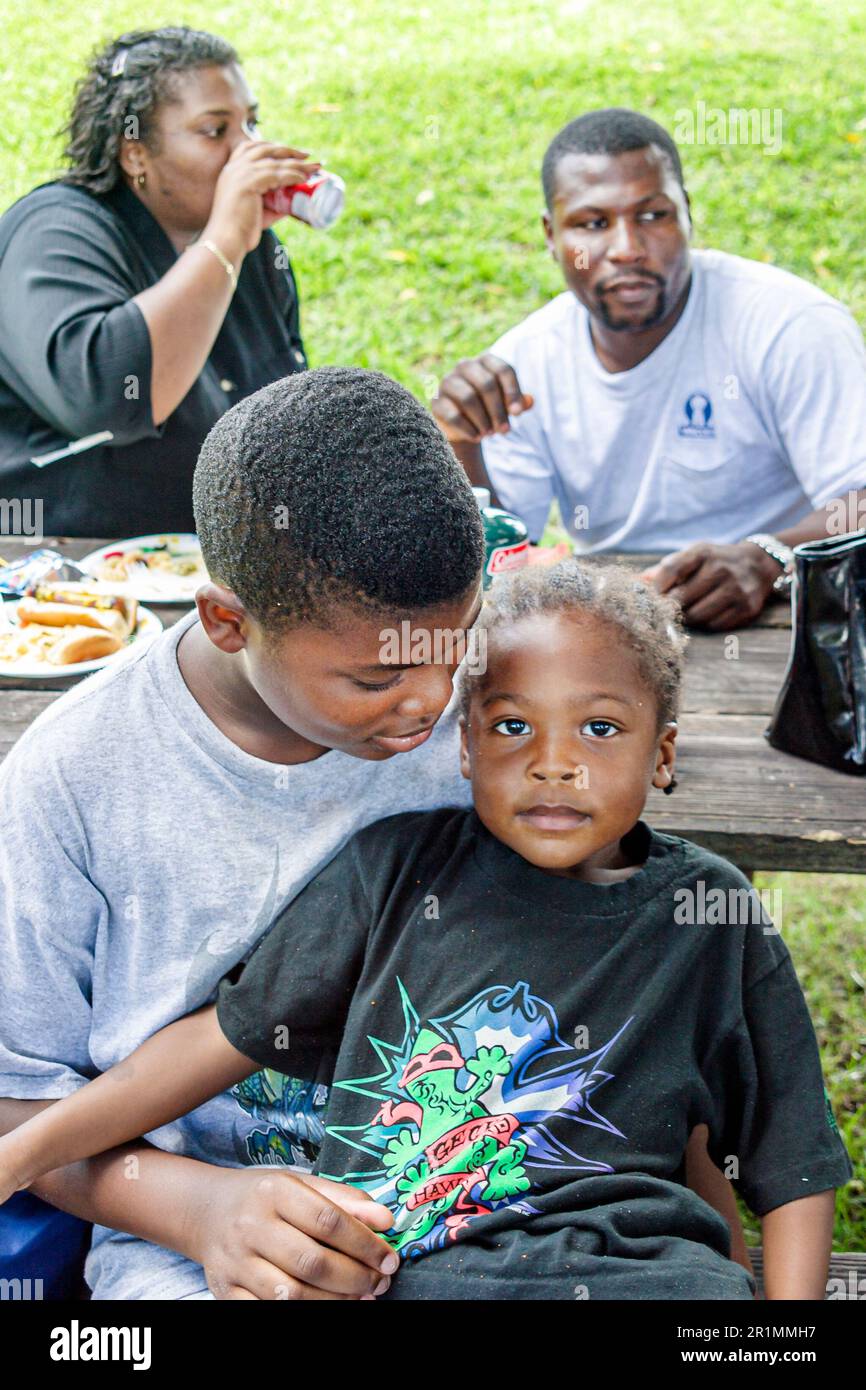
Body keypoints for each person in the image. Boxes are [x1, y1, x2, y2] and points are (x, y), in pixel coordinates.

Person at [0, 560, 851, 1300]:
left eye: (600, 728)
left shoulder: (710, 912)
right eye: (513, 727)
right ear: (465, 747)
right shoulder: (395, 870)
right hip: (408, 1275)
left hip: (647, 1276)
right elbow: (212, 1045)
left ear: (662, 754)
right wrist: (25, 1151)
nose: (554, 762)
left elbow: (788, 1159)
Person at [0, 367, 485, 1300]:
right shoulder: (73, 778)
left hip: (482, 1209)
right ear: (227, 620)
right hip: (194, 1251)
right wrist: (198, 1209)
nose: (432, 701)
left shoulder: (493, 714)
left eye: (456, 642)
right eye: (377, 678)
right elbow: (20, 1106)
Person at [432, 108, 866, 631]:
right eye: (592, 224)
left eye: (652, 215)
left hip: (783, 618)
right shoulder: (528, 360)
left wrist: (771, 556)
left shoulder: (789, 325)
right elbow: (501, 557)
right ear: (551, 235)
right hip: (620, 627)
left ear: (688, 214)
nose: (627, 249)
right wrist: (461, 444)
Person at [0, 26, 319, 537]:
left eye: (251, 124)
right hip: (58, 562)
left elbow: (286, 410)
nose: (248, 150)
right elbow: (115, 402)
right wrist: (225, 241)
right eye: (216, 131)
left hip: (210, 570)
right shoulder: (56, 230)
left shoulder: (252, 251)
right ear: (135, 154)